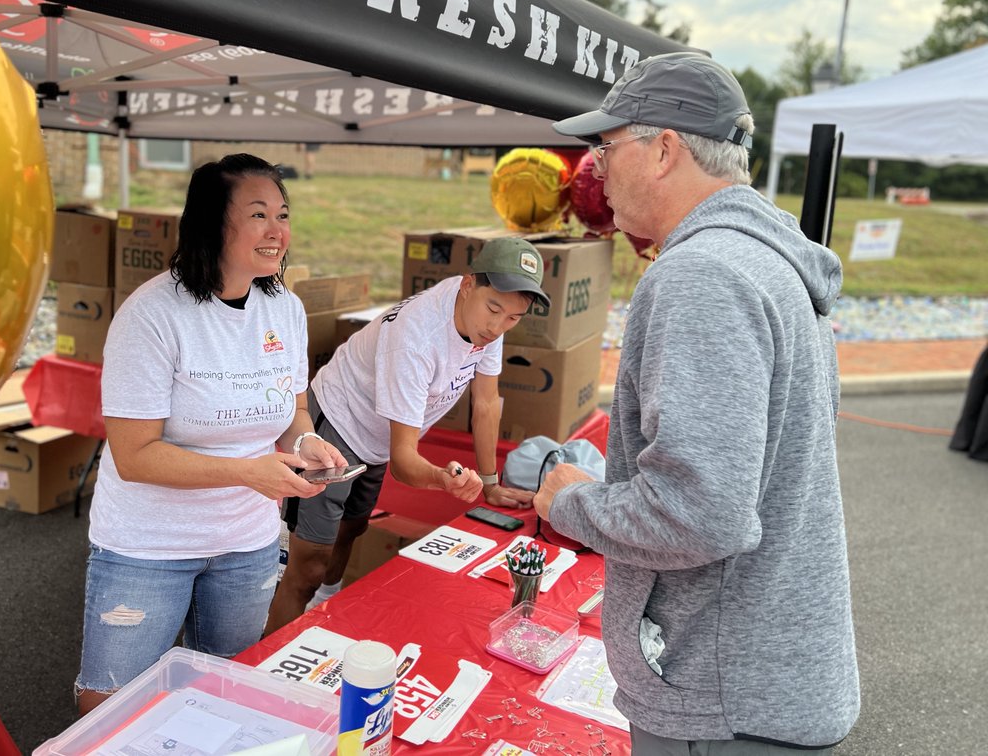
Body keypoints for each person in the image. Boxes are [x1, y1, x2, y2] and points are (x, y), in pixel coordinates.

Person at [534, 53, 860, 753]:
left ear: (663, 150)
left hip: (721, 698)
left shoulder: (703, 274)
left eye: (605, 146)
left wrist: (568, 501)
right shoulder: (769, 262)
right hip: (762, 678)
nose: (594, 169)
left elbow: (698, 515)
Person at [75, 153, 345, 716]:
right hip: (147, 545)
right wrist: (248, 472)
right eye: (258, 215)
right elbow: (134, 456)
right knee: (109, 703)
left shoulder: (284, 308)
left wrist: (303, 444)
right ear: (211, 223)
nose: (278, 231)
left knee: (227, 689)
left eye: (283, 214)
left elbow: (292, 408)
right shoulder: (151, 315)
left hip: (246, 543)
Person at [263, 238, 550, 634]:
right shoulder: (417, 338)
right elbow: (405, 463)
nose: (497, 327)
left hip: (377, 437)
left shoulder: (490, 317)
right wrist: (443, 478)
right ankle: (267, 659)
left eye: (513, 318)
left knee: (351, 530)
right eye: (494, 309)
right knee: (309, 561)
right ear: (468, 284)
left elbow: (485, 403)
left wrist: (489, 482)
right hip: (337, 422)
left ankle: (323, 619)